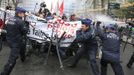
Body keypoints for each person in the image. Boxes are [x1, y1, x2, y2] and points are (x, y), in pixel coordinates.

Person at [0, 7, 28, 75]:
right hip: (17, 42)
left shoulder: (9, 19)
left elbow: (6, 27)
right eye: (23, 13)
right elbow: (25, 31)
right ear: (19, 13)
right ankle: (4, 73)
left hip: (9, 40)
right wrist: (26, 25)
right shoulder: (20, 22)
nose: (24, 15)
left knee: (22, 47)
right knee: (12, 60)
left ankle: (23, 58)